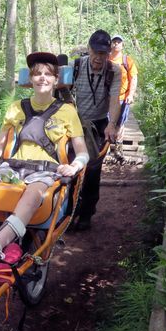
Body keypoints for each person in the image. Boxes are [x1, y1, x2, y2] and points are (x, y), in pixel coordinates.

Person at [0, 51, 89, 271]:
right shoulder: (16, 107)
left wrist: (75, 165)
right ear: (30, 79)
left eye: (47, 74)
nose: (42, 77)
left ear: (56, 79)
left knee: (34, 192)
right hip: (13, 166)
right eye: (37, 74)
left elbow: (82, 150)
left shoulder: (67, 111)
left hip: (45, 170)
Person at [72, 29, 122, 231]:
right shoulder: (76, 66)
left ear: (108, 53)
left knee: (93, 170)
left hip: (99, 124)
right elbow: (60, 91)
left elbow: (114, 99)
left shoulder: (114, 71)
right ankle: (69, 210)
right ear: (89, 49)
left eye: (103, 53)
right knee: (71, 168)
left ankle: (86, 214)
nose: (98, 58)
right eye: (95, 52)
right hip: (74, 124)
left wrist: (112, 124)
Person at [109, 34, 139, 134]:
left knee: (120, 123)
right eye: (114, 42)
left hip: (122, 97)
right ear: (110, 44)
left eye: (118, 42)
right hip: (107, 98)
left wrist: (130, 95)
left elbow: (133, 78)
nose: (116, 44)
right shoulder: (105, 59)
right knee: (106, 122)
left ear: (122, 45)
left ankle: (118, 145)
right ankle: (106, 146)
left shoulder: (127, 61)